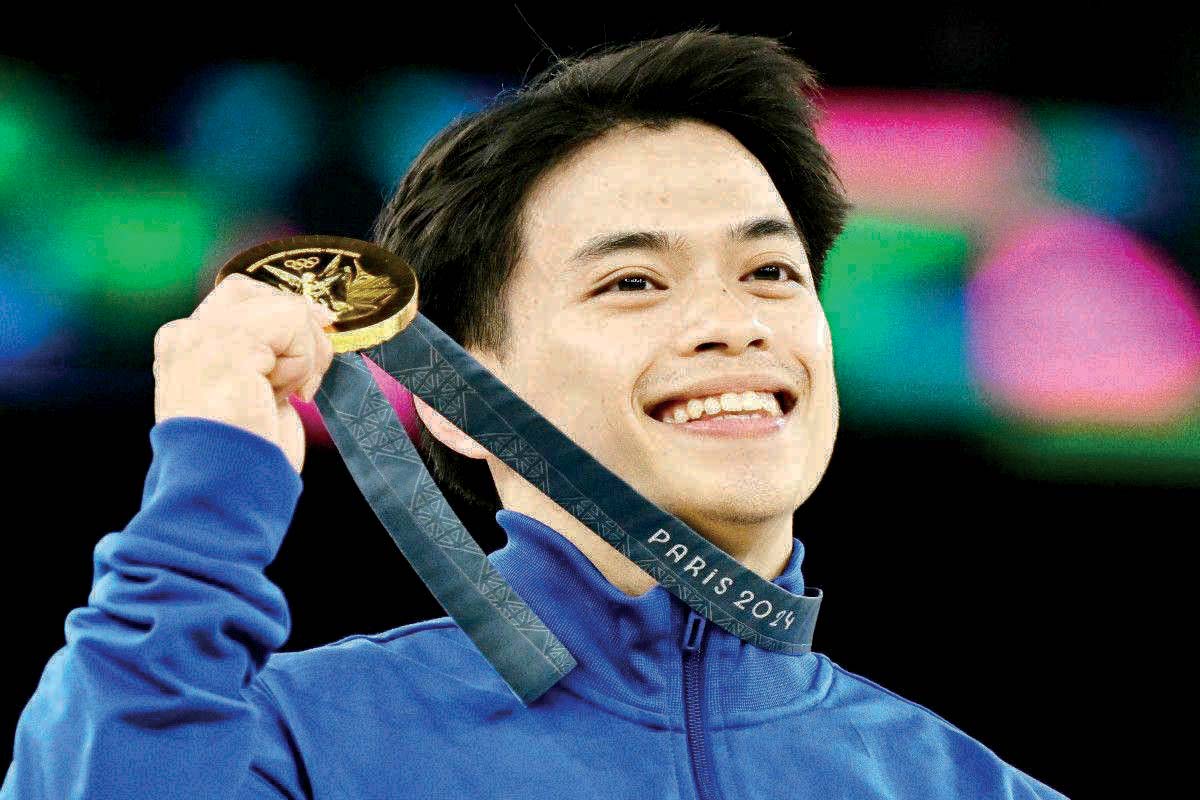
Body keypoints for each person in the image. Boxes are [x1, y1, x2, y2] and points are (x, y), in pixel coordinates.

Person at [1, 27, 1069, 799]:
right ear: (458, 400)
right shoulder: (298, 747)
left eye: (772, 272)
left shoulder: (971, 784)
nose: (734, 323)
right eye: (634, 283)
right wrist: (205, 498)